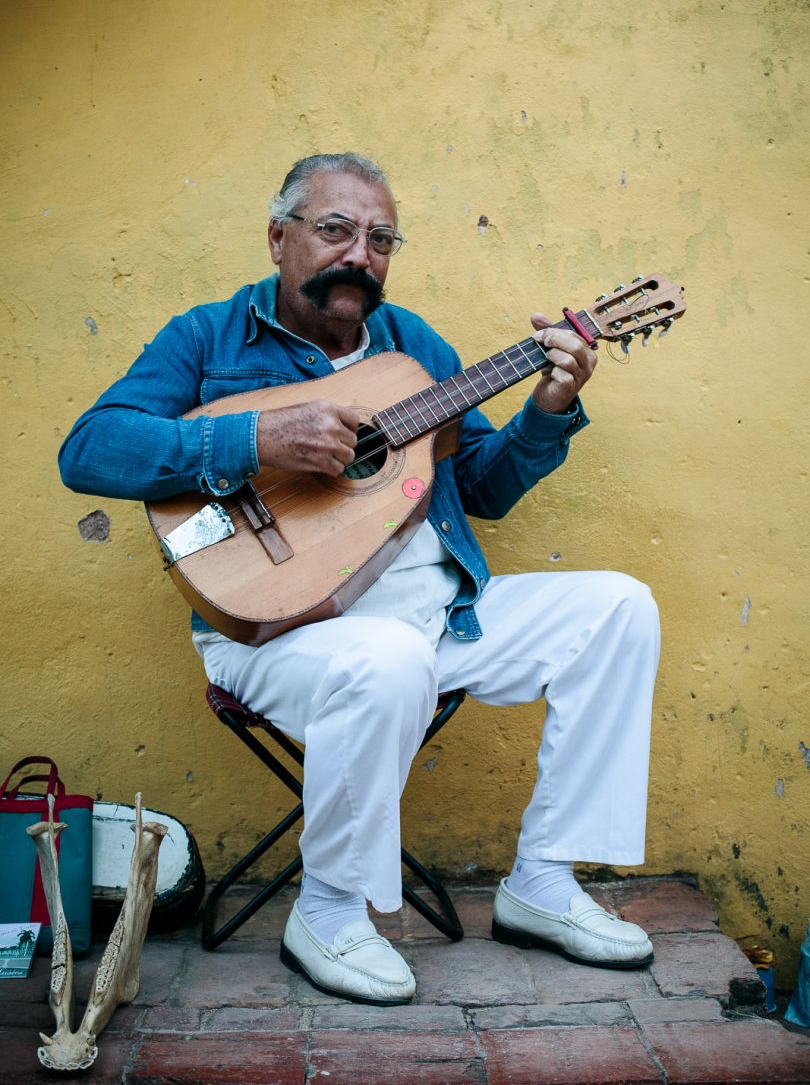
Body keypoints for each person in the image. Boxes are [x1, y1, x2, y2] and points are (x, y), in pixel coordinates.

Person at [59, 152, 660, 1006]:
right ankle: (331, 911)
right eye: (335, 230)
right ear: (279, 238)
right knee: (383, 656)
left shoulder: (416, 348)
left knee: (618, 607)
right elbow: (89, 452)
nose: (360, 255)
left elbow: (481, 487)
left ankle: (545, 882)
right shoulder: (207, 337)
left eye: (381, 239)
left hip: (441, 618)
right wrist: (255, 442)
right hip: (280, 636)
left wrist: (548, 412)